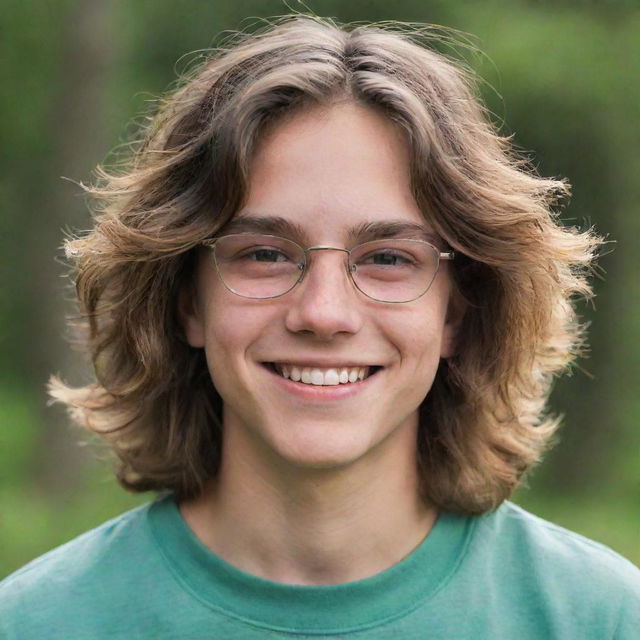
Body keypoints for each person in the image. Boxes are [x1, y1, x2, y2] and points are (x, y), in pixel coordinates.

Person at [1, 15, 638, 639]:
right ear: (186, 302)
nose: (324, 314)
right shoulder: (37, 622)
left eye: (389, 258)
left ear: (457, 313)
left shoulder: (600, 619)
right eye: (265, 253)